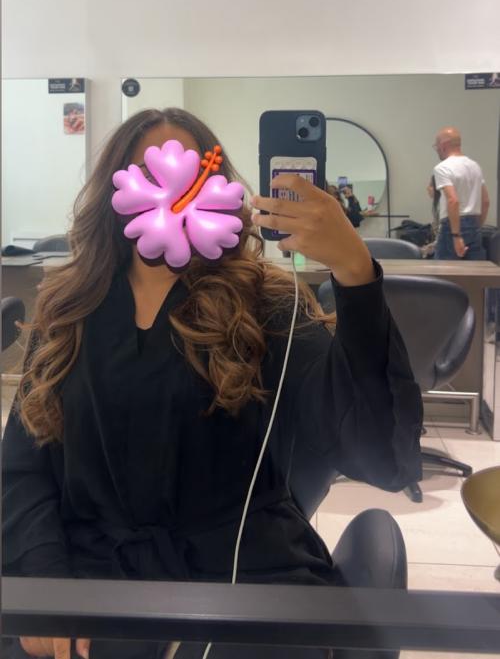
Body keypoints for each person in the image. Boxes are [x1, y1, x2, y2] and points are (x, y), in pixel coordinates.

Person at [3, 108, 423, 659]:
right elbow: (23, 465)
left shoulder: (266, 305)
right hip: (87, 572)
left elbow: (379, 449)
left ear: (217, 187)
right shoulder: (69, 312)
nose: (173, 193)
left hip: (243, 574)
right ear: (114, 192)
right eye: (152, 173)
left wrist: (355, 273)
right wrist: (43, 579)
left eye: (192, 173)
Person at [432, 127, 490, 260]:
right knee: (474, 271)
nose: (436, 149)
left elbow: (453, 200)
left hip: (452, 226)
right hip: (474, 223)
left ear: (443, 145)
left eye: (436, 145)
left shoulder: (442, 168)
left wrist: (456, 235)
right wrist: (477, 227)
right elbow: (486, 202)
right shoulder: (475, 166)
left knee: (444, 271)